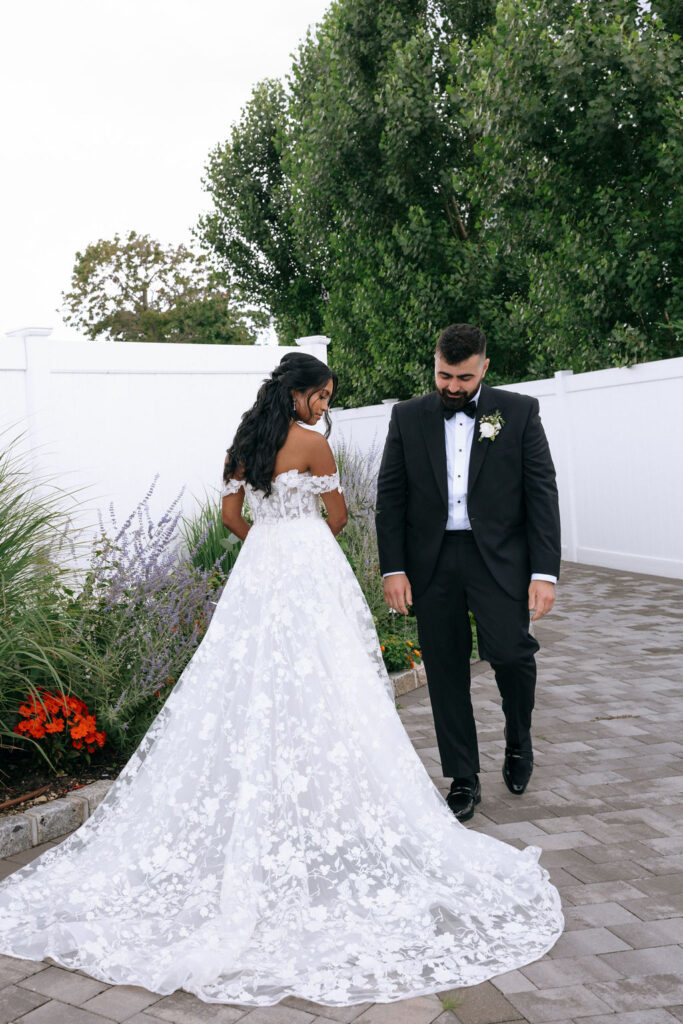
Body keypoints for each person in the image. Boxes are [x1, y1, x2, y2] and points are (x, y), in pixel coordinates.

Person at [0, 350, 563, 1007]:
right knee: (329, 679)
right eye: (321, 395)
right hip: (308, 570)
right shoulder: (313, 447)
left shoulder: (244, 445)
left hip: (259, 571)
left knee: (247, 676)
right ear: (300, 394)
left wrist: (268, 536)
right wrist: (300, 533)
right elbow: (339, 519)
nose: (325, 406)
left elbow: (231, 519)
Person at [376, 324, 561, 823]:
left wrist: (544, 572)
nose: (452, 387)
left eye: (462, 377)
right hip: (431, 562)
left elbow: (542, 493)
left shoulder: (519, 412)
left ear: (484, 367)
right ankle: (463, 776)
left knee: (512, 653)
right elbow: (390, 497)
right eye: (443, 375)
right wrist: (392, 567)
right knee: (445, 669)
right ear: (434, 365)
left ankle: (519, 739)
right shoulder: (407, 416)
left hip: (497, 559)